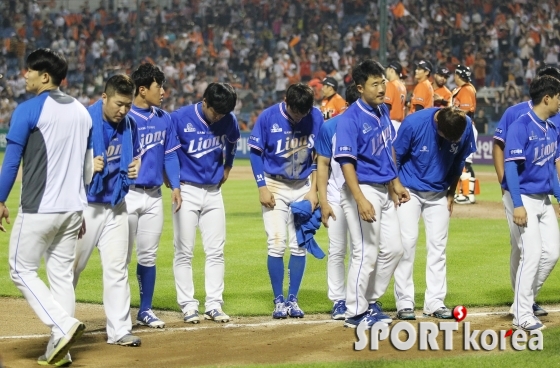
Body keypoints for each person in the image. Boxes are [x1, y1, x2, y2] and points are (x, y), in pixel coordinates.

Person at [0, 48, 88, 366]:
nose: (25, 75)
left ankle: (62, 326)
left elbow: (11, 163)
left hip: (40, 207)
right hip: (73, 208)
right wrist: (82, 205)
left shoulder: (28, 110)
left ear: (45, 76)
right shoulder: (81, 110)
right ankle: (58, 349)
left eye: (29, 71)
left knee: (20, 269)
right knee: (61, 276)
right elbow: (88, 166)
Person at [333, 59, 409, 328]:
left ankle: (369, 301)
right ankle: (354, 313)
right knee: (365, 252)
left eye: (382, 82)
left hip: (384, 188)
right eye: (374, 84)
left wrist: (395, 182)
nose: (381, 88)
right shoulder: (351, 119)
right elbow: (346, 163)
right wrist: (360, 198)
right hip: (362, 189)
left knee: (395, 249)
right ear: (360, 87)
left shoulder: (381, 112)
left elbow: (389, 149)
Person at [73, 74, 143, 347]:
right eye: (118, 104)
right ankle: (61, 326)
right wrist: (88, 166)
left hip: (116, 204)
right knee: (71, 268)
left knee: (117, 269)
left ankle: (119, 330)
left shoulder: (130, 125)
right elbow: (65, 163)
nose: (123, 110)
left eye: (128, 104)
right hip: (85, 206)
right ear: (104, 97)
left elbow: (132, 156)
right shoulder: (84, 122)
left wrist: (133, 167)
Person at [392, 106, 475, 320]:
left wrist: (451, 193)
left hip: (439, 193)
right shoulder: (414, 123)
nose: (451, 142)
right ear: (438, 124)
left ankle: (435, 302)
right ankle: (404, 303)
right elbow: (396, 158)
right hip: (409, 190)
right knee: (406, 244)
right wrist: (396, 187)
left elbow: (459, 162)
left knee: (438, 247)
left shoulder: (463, 127)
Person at [248, 83, 323, 319]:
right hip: (274, 184)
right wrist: (262, 186)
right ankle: (278, 300)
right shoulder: (269, 116)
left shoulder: (315, 116)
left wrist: (314, 191)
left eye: (304, 112)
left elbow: (317, 155)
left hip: (303, 186)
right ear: (285, 101)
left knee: (299, 245)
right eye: (296, 112)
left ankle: (293, 299)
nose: (300, 117)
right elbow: (255, 152)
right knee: (277, 242)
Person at [492, 66, 560, 318]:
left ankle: (524, 300)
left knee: (551, 252)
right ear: (547, 97)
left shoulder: (551, 128)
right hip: (523, 197)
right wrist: (515, 200)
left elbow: (551, 169)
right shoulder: (520, 121)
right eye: (558, 95)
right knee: (527, 252)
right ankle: (522, 313)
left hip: (543, 199)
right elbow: (510, 163)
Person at [170, 82, 239, 324]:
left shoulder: (228, 119)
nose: (219, 116)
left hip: (213, 192)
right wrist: (173, 183)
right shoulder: (179, 118)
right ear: (205, 102)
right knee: (184, 251)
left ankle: (213, 304)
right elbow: (167, 152)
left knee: (216, 251)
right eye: (216, 112)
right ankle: (188, 305)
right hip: (187, 190)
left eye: (224, 113)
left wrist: (228, 165)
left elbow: (232, 141)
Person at [126, 63, 182, 329]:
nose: (163, 91)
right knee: (120, 257)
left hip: (153, 196)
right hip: (126, 195)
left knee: (148, 256)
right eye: (159, 86)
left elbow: (170, 154)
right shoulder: (124, 118)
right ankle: (119, 311)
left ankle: (145, 310)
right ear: (142, 89)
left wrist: (177, 186)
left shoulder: (164, 118)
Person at [316, 84, 360, 320]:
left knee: (360, 251)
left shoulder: (371, 124)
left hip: (364, 196)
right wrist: (323, 200)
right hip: (335, 196)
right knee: (338, 250)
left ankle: (358, 297)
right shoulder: (330, 126)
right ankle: (339, 300)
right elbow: (322, 166)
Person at [452, 65, 478, 204]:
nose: (454, 76)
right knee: (463, 162)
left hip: (466, 128)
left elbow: (465, 110)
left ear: (458, 75)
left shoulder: (467, 89)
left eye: (455, 74)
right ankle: (466, 193)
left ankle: (467, 195)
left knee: (465, 163)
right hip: (463, 128)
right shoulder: (462, 89)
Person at [384, 61, 407, 132]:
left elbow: (387, 106)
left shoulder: (390, 84)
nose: (386, 72)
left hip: (390, 122)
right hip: (400, 123)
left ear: (391, 70)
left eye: (387, 69)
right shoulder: (403, 86)